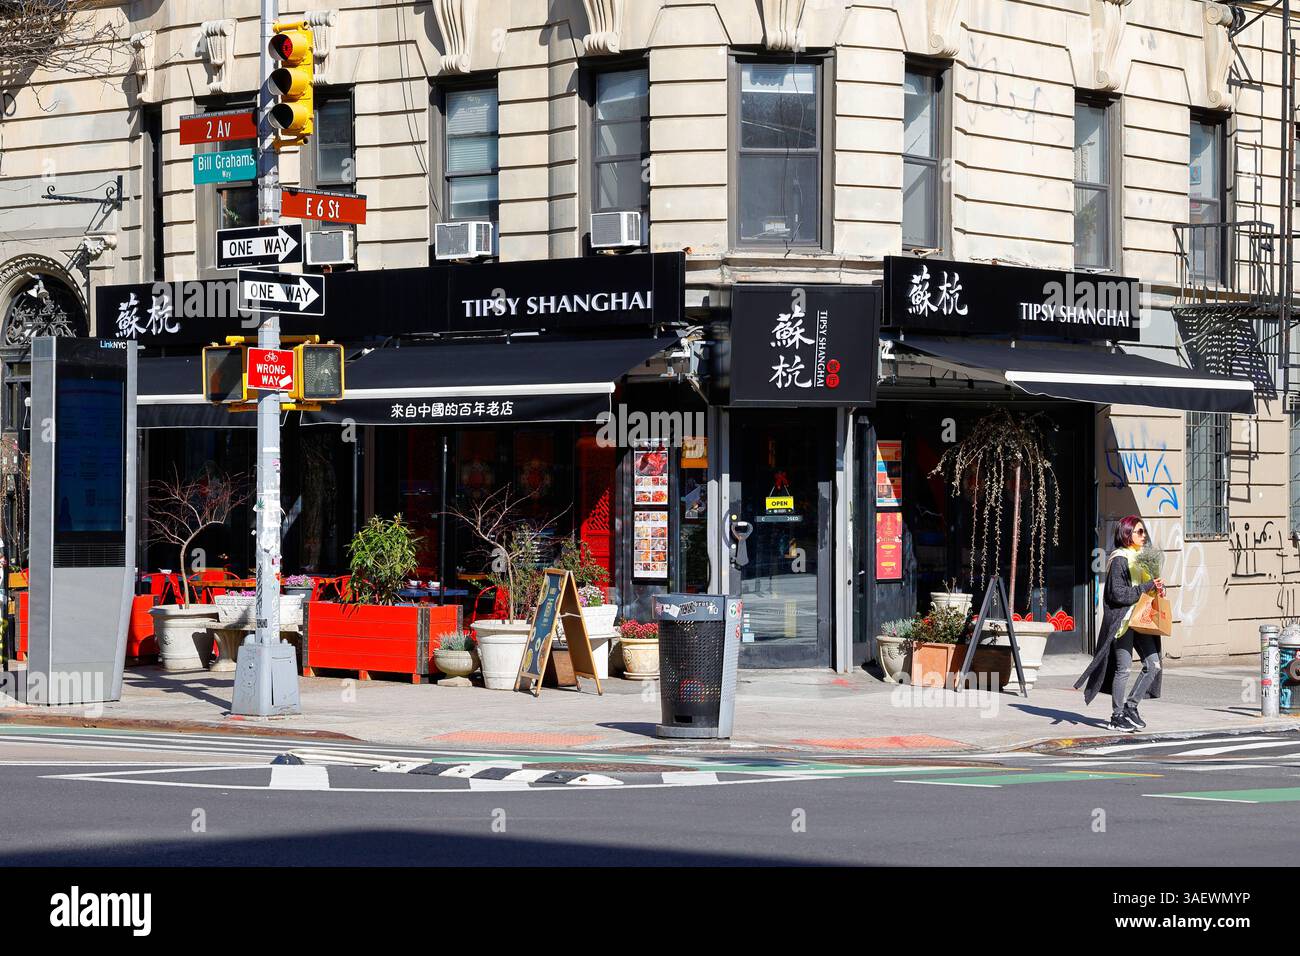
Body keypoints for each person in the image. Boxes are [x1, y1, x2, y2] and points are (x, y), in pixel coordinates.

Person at [1074, 514, 1166, 733]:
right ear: (1127, 534)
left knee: (1154, 665)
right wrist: (1145, 587)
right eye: (1139, 531)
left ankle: (1131, 706)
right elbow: (1118, 594)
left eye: (1144, 531)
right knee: (1123, 669)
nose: (1144, 536)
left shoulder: (1141, 558)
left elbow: (1144, 588)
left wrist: (1158, 588)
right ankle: (1116, 716)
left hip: (1142, 619)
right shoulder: (1119, 559)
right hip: (1123, 621)